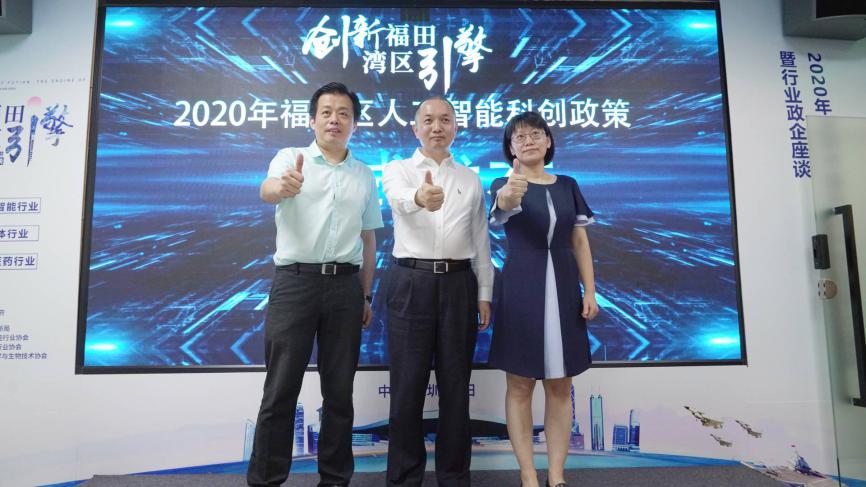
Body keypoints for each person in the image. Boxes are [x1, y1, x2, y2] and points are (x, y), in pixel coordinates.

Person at [247, 82, 383, 487]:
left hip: (345, 288)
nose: (334, 119)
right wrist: (282, 187)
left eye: (344, 113)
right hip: (295, 284)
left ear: (354, 123)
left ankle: (335, 479)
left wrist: (365, 294)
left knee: (339, 393)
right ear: (312, 120)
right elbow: (268, 190)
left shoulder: (364, 174)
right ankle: (266, 480)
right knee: (280, 389)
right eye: (326, 112)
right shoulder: (291, 158)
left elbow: (368, 238)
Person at [381, 96, 493, 487]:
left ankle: (454, 477)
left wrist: (484, 292)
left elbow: (481, 239)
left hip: (459, 284)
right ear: (415, 128)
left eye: (445, 120)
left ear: (455, 128)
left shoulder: (469, 179)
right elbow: (397, 199)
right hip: (410, 282)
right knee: (407, 388)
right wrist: (419, 197)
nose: (437, 127)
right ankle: (403, 478)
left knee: (456, 387)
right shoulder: (397, 169)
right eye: (428, 120)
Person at [487, 111, 600, 487]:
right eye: (519, 137)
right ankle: (528, 475)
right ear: (510, 149)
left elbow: (579, 240)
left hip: (565, 286)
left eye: (536, 134)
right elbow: (502, 207)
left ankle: (556, 475)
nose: (529, 141)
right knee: (520, 384)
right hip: (522, 286)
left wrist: (590, 290)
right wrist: (508, 193)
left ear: (548, 141)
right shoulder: (504, 184)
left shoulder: (568, 185)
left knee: (560, 384)